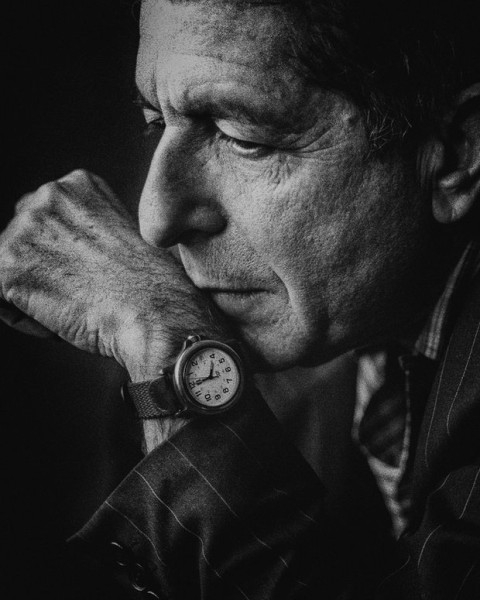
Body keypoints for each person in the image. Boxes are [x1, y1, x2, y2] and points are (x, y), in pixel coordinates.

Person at [1, 0, 479, 597]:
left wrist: (168, 349)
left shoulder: (187, 352)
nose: (154, 221)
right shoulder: (291, 353)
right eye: (156, 122)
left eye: (241, 137)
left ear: (455, 151)